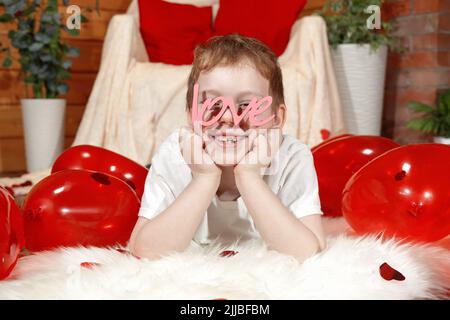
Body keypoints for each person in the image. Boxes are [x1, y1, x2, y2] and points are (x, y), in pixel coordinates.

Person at [129, 34, 326, 262]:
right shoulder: (174, 154)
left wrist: (249, 175)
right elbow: (145, 249)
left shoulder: (293, 156)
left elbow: (308, 252)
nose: (229, 118)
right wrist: (204, 178)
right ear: (190, 115)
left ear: (276, 118)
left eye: (246, 105)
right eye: (213, 105)